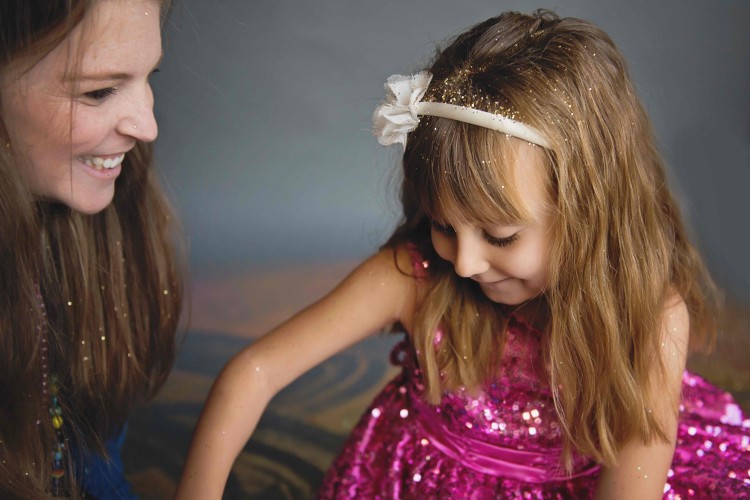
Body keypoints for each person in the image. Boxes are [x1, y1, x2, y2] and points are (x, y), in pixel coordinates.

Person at [177, 10, 749, 498]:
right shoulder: (415, 274)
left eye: (500, 237)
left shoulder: (649, 317)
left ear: (592, 215)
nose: (466, 263)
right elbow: (253, 372)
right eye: (446, 225)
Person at [0, 0, 184, 497]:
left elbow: (95, 469)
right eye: (99, 90)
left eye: (149, 77)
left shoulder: (98, 233)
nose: (147, 127)